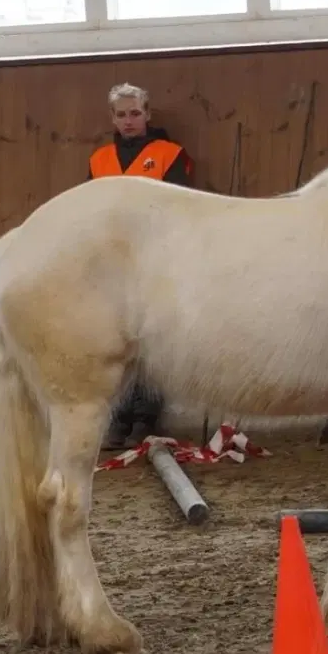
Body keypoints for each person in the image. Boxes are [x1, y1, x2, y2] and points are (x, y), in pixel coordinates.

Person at [89, 83, 195, 448]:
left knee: (150, 340)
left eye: (135, 113)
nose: (129, 120)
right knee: (115, 339)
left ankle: (145, 419)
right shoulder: (99, 160)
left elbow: (179, 208)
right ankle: (118, 416)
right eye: (122, 114)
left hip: (155, 260)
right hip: (113, 262)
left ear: (147, 114)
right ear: (113, 119)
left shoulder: (170, 155)